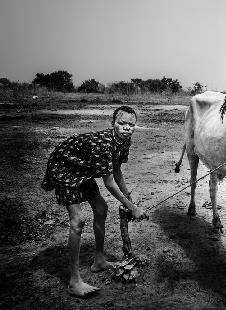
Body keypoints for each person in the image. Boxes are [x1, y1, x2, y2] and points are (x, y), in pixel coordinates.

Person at [41, 105, 148, 297]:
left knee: (101, 208)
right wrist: (132, 207)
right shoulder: (103, 144)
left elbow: (117, 172)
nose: (126, 127)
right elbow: (109, 183)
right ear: (112, 123)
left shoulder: (124, 141)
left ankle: (99, 261)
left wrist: (130, 202)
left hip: (83, 170)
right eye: (121, 123)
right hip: (65, 167)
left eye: (131, 124)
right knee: (78, 221)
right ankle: (74, 282)